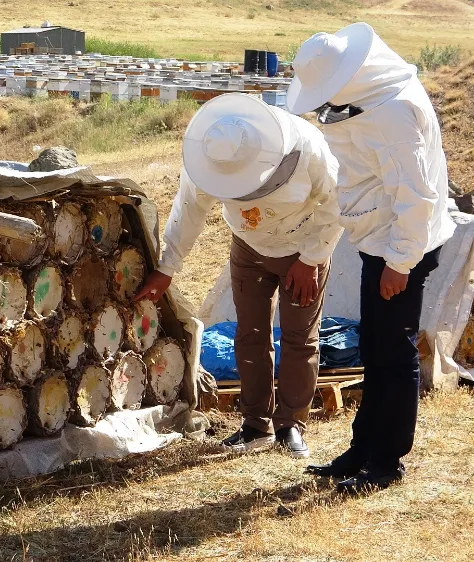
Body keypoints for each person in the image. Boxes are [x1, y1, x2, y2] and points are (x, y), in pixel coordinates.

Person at [286, 23, 455, 493]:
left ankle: (386, 464)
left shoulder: (396, 111)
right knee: (376, 349)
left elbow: (416, 196)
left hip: (402, 245)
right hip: (379, 240)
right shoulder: (373, 99)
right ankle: (363, 448)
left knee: (395, 355)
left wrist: (400, 263)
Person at [135, 92, 342, 459]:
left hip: (302, 248)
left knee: (299, 338)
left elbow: (338, 203)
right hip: (248, 248)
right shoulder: (208, 155)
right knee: (250, 335)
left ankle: (289, 425)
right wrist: (167, 267)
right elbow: (189, 211)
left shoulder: (307, 148)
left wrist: (311, 259)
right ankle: (255, 425)